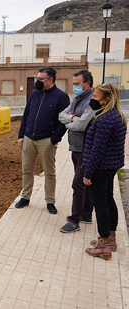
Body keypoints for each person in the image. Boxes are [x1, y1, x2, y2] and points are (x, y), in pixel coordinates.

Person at [16, 66, 70, 214]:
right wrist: (21, 135)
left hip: (46, 140)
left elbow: (64, 122)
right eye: (37, 78)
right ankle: (25, 197)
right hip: (28, 138)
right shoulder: (34, 94)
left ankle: (50, 201)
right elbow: (26, 115)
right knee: (27, 170)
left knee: (49, 172)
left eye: (40, 79)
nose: (37, 81)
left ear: (50, 80)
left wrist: (54, 139)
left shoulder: (61, 97)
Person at [82, 83, 127, 259]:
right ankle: (110, 239)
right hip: (111, 165)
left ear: (106, 100)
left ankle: (103, 245)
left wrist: (88, 173)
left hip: (100, 167)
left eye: (95, 97)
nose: (92, 100)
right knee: (108, 199)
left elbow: (97, 150)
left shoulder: (105, 119)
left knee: (100, 203)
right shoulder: (117, 116)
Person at [59, 70, 96, 233]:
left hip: (86, 148)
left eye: (77, 84)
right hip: (75, 147)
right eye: (73, 84)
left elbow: (82, 126)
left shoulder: (93, 100)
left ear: (87, 83)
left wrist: (71, 121)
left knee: (78, 183)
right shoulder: (77, 99)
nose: (74, 87)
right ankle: (86, 214)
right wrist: (73, 119)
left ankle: (74, 221)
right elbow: (61, 115)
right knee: (84, 184)